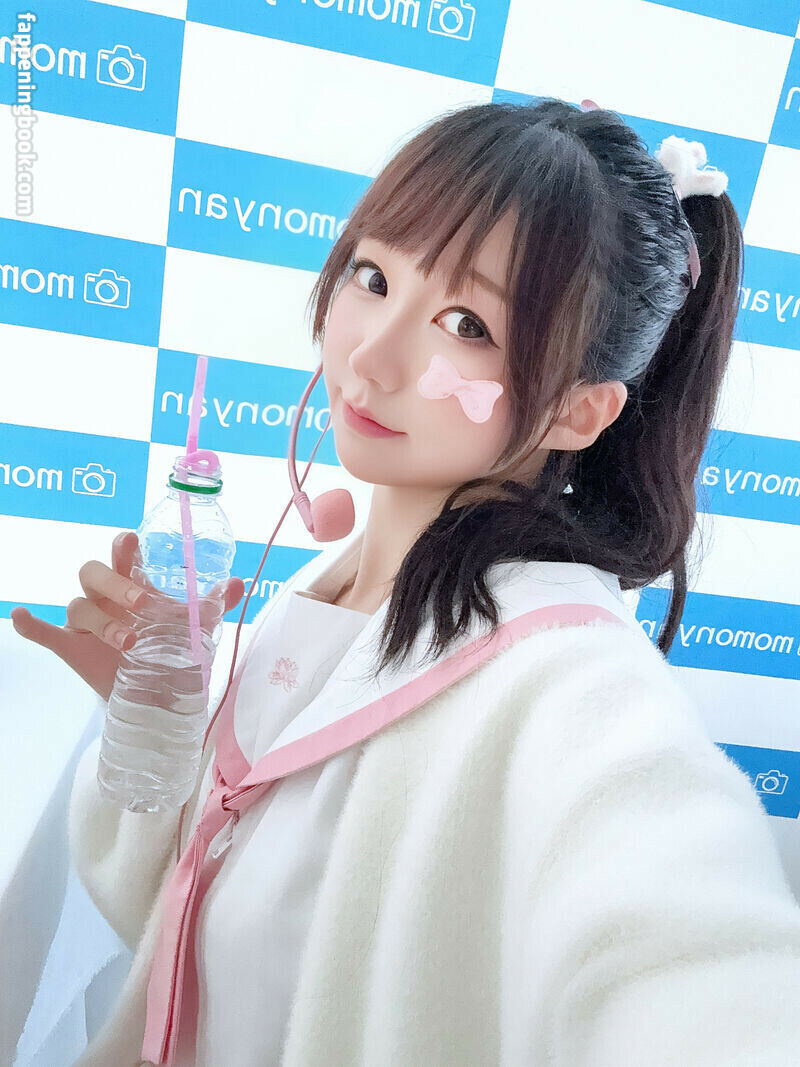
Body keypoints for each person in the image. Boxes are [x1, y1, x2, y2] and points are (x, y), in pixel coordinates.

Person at [13, 97, 800, 1066]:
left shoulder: (570, 679)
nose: (370, 354)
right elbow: (200, 920)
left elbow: (689, 956)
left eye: (466, 324)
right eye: (374, 275)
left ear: (577, 410)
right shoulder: (333, 579)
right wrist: (157, 722)